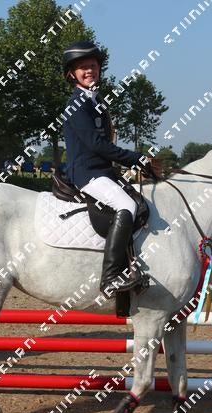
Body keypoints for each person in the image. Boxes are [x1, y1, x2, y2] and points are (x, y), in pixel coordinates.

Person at [61, 40, 159, 297]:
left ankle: (131, 268)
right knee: (126, 205)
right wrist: (135, 158)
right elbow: (97, 145)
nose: (89, 71)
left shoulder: (96, 101)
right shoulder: (76, 104)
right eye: (83, 68)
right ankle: (110, 278)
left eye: (93, 66)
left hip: (102, 171)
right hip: (86, 173)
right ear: (72, 74)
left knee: (137, 201)